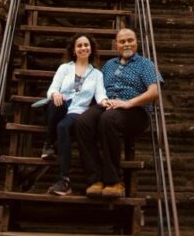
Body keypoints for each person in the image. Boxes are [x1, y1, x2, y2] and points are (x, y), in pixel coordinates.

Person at [75, 27, 162, 199]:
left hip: (135, 111)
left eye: (130, 40)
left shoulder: (145, 64)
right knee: (82, 121)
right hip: (109, 105)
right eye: (122, 41)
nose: (126, 44)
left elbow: (154, 92)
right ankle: (95, 179)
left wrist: (128, 103)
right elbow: (96, 89)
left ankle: (114, 181)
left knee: (108, 119)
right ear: (116, 45)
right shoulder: (108, 65)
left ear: (136, 42)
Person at [40, 33, 107, 196]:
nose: (83, 48)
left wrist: (106, 101)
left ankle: (64, 181)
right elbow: (52, 89)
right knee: (58, 100)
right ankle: (48, 144)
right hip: (59, 108)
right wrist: (55, 94)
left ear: (91, 49)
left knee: (63, 127)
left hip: (77, 112)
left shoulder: (97, 74)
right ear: (74, 50)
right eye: (80, 45)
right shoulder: (65, 68)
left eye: (86, 45)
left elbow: (100, 95)